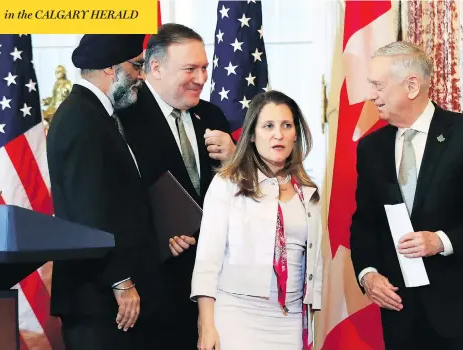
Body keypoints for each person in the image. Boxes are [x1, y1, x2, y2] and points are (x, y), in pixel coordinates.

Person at [349, 41, 463, 350]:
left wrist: (441, 241)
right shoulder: (371, 148)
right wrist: (367, 274)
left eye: (378, 85)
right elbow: (365, 223)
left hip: (459, 310)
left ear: (411, 85)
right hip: (399, 311)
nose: (372, 95)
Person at [118, 23, 236, 348]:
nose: (201, 78)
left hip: (212, 289)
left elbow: (245, 196)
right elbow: (114, 203)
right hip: (153, 292)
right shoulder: (124, 120)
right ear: (154, 67)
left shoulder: (212, 116)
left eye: (204, 68)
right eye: (190, 68)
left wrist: (235, 158)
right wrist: (159, 238)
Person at [47, 34, 165, 350]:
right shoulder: (81, 120)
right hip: (99, 299)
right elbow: (89, 212)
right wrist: (121, 281)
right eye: (137, 66)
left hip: (108, 297)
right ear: (111, 68)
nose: (141, 75)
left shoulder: (98, 115)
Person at [191, 90, 323, 350]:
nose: (278, 134)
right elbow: (208, 258)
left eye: (286, 125)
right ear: (251, 134)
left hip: (291, 319)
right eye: (268, 126)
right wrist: (206, 325)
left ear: (296, 134)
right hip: (238, 315)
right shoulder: (227, 183)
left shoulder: (308, 192)